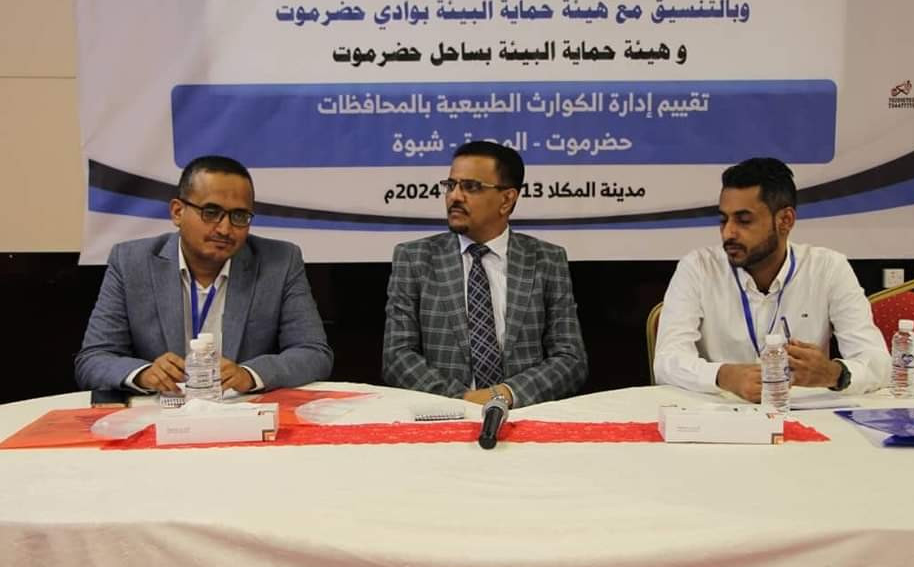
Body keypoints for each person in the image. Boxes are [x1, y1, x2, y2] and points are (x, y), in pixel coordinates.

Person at [75, 155, 333, 395]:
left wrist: (249, 375)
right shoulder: (131, 262)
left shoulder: (280, 261)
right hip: (163, 413)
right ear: (177, 212)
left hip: (241, 412)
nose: (225, 229)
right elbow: (93, 359)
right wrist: (144, 374)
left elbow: (313, 353)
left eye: (239, 215)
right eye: (211, 212)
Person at [654, 157, 889, 401]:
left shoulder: (829, 268)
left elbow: (879, 364)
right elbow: (666, 360)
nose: (728, 232)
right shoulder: (698, 268)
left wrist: (834, 374)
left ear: (785, 220)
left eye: (744, 220)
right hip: (718, 412)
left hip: (803, 413)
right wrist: (724, 376)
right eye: (724, 219)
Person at [382, 141, 588, 408]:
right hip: (446, 414)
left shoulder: (546, 260)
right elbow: (397, 357)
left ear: (507, 199)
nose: (455, 196)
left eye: (471, 187)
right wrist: (464, 400)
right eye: (451, 185)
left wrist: (506, 394)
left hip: (522, 412)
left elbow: (571, 359)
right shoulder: (415, 258)